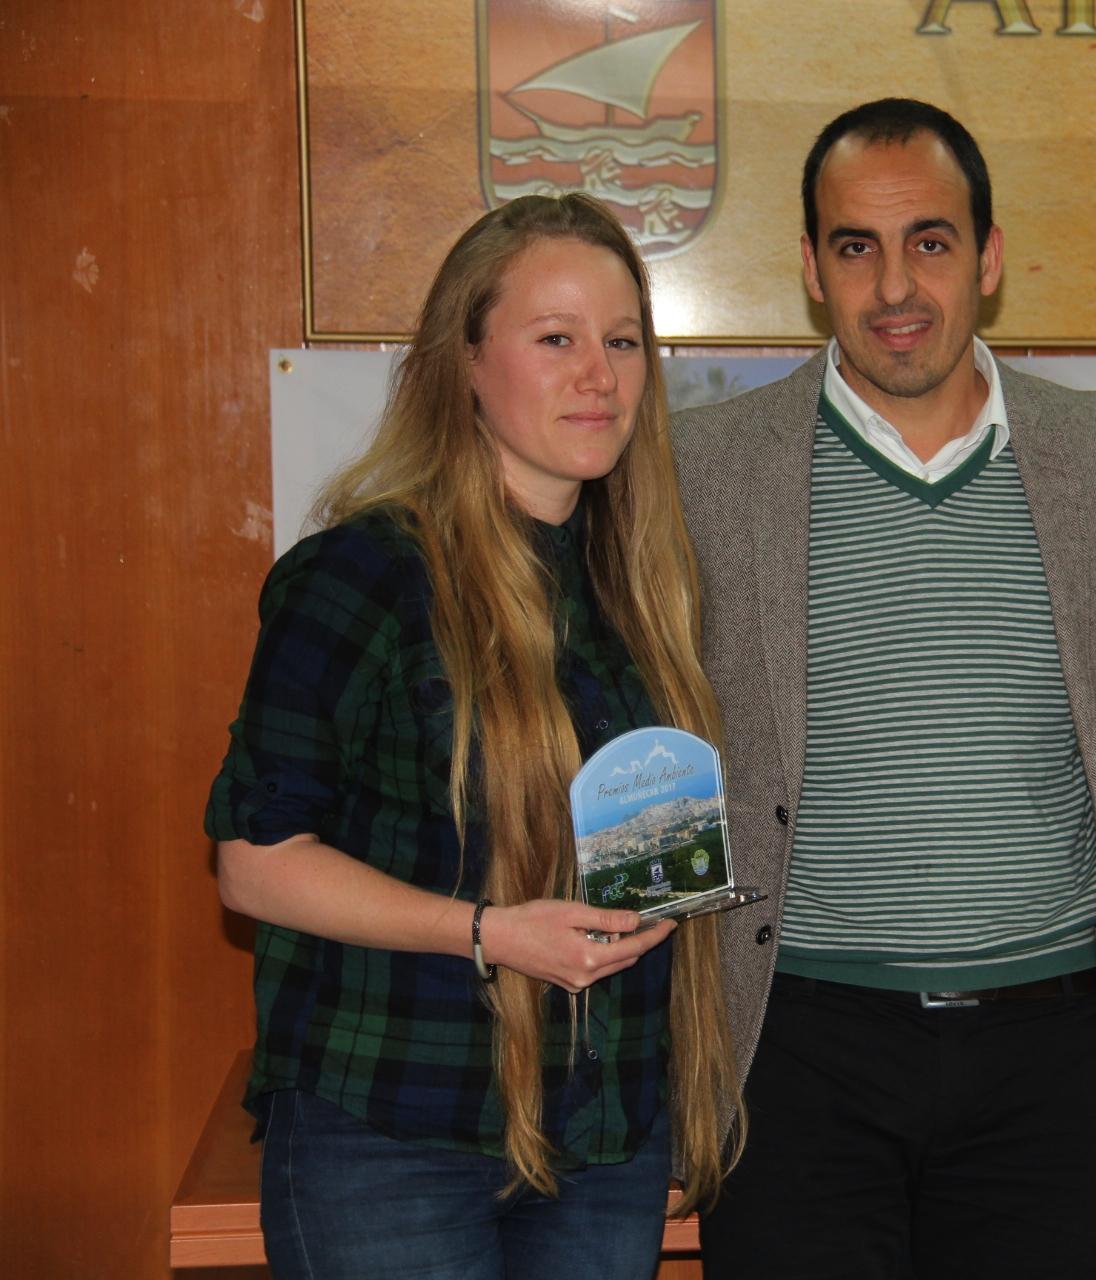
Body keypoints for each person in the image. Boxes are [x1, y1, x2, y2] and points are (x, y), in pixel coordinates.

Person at [670, 98, 1096, 1279]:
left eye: (930, 241)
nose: (895, 287)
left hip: (1047, 1050)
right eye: (855, 247)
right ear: (811, 267)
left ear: (989, 257)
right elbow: (628, 704)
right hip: (792, 1044)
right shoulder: (706, 466)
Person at [205, 193, 738, 1279]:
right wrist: (492, 932)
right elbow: (254, 863)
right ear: (465, 362)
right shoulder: (363, 575)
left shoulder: (649, 588)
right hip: (394, 1132)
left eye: (622, 341)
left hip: (605, 1137)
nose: (600, 376)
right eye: (556, 340)